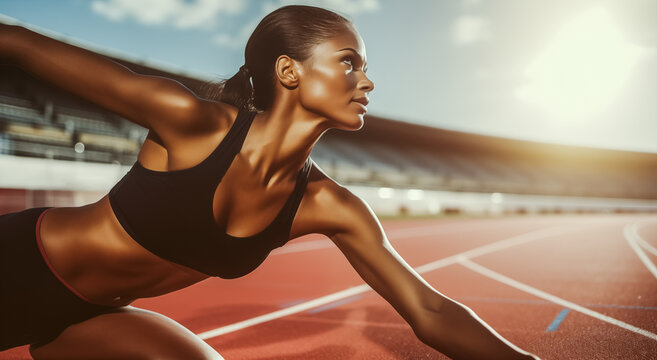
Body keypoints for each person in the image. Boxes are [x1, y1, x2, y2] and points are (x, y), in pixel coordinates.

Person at [0, 5, 540, 360]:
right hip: (18, 265)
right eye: (349, 63)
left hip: (89, 316)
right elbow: (19, 42)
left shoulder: (330, 206)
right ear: (289, 72)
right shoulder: (190, 123)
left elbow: (430, 311)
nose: (368, 81)